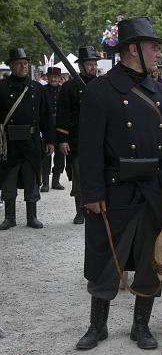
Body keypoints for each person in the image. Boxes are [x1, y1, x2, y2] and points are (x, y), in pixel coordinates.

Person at [76, 16, 162, 351]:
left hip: (153, 192)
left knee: (149, 259)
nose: (158, 52)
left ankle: (140, 325)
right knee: (104, 259)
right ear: (132, 50)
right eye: (153, 46)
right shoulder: (100, 91)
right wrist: (92, 192)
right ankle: (97, 326)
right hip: (113, 192)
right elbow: (89, 148)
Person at [0, 48, 54, 230]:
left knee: (32, 179)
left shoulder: (36, 88)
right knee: (8, 180)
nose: (23, 66)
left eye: (25, 63)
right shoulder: (2, 87)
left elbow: (46, 117)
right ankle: (9, 217)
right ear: (11, 65)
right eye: (19, 63)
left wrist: (50, 140)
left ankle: (32, 217)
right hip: (9, 143)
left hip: (31, 142)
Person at [57, 45, 100, 225]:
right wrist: (63, 140)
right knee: (80, 177)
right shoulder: (69, 87)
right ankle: (80, 210)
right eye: (88, 64)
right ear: (80, 66)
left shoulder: (101, 85)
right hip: (78, 139)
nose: (92, 67)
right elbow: (63, 115)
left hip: (100, 138)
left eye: (93, 63)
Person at [41, 66, 66, 192]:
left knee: (60, 156)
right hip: (47, 127)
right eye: (51, 77)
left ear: (59, 78)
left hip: (60, 127)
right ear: (47, 77)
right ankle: (45, 182)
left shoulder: (63, 91)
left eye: (56, 77)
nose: (53, 79)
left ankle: (56, 181)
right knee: (46, 155)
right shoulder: (42, 90)